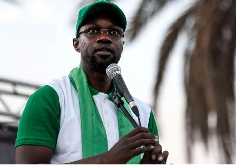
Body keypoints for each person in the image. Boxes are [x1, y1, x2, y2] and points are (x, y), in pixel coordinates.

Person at [14, 0, 169, 164]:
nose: (104, 37)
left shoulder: (142, 113)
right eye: (93, 31)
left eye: (114, 32)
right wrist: (107, 160)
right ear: (76, 44)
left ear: (122, 44)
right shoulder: (50, 98)